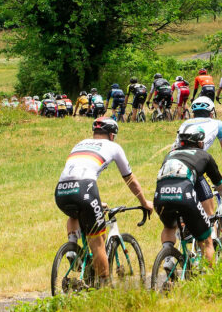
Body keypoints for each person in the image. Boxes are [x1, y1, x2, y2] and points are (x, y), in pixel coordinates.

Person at [54, 117, 152, 285]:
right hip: (85, 189)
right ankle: (105, 288)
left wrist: (95, 203)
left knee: (75, 214)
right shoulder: (114, 147)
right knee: (98, 243)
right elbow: (130, 179)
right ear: (112, 135)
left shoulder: (80, 144)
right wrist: (144, 202)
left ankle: (72, 247)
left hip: (61, 190)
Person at [155, 122, 222, 266]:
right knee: (207, 240)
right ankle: (209, 277)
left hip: (160, 196)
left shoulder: (169, 155)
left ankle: (168, 258)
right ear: (199, 142)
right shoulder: (204, 156)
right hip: (185, 197)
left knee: (169, 227)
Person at [172, 97, 222, 216]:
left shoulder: (185, 123)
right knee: (209, 216)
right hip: (193, 165)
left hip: (171, 165)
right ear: (212, 113)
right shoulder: (217, 124)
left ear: (193, 114)